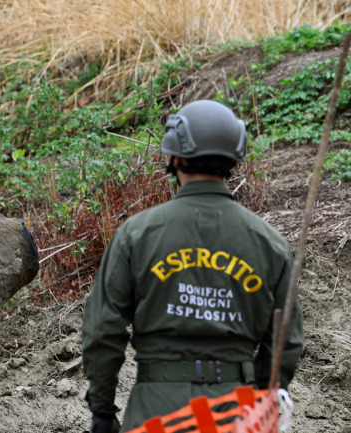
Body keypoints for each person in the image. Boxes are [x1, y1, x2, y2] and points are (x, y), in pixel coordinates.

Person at [81, 100, 305, 433]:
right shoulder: (269, 243)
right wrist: (260, 396)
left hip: (155, 414)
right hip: (238, 413)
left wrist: (102, 409)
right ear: (234, 158)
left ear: (176, 156)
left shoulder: (137, 234)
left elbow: (102, 329)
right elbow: (285, 341)